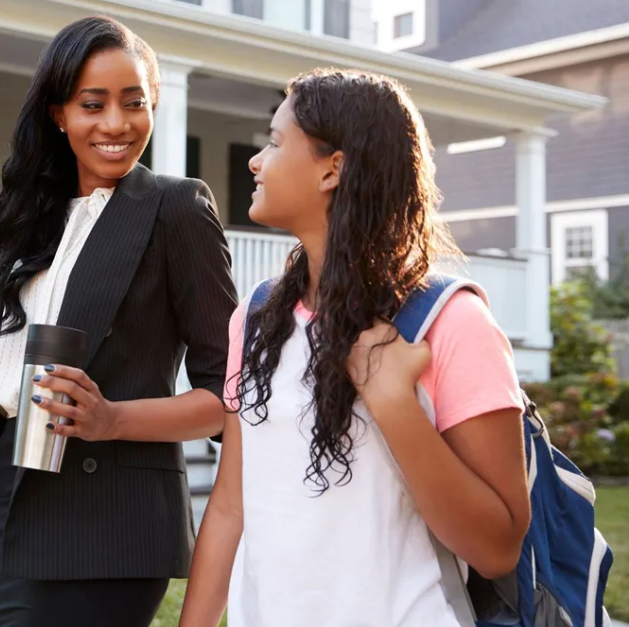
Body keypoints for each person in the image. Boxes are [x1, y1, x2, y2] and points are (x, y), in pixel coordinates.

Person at [0, 16, 237, 627]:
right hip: (2, 511)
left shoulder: (173, 210)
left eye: (134, 103)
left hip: (104, 529)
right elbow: (3, 412)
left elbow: (231, 396)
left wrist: (113, 418)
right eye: (92, 104)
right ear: (58, 113)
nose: (116, 124)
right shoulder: (28, 223)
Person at [178, 68, 531, 627]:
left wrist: (393, 404)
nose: (255, 160)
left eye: (274, 141)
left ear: (332, 169)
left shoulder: (450, 322)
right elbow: (229, 506)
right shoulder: (256, 317)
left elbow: (497, 547)